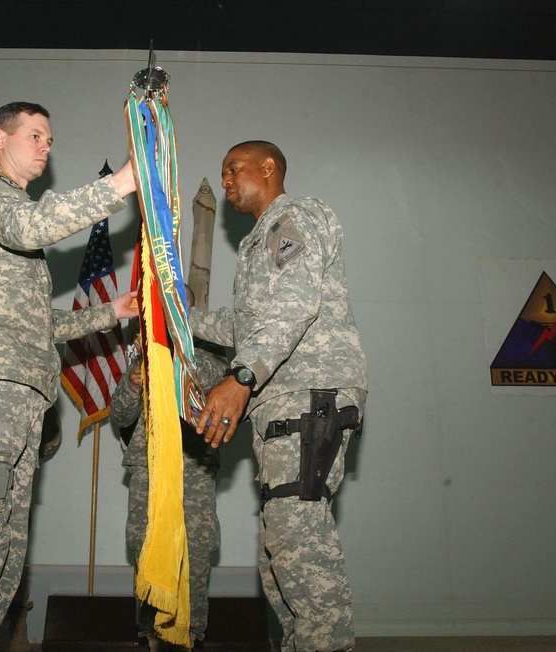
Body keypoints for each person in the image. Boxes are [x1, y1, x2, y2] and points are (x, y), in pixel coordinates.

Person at [0, 101, 138, 652]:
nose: (47, 147)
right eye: (36, 135)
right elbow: (30, 224)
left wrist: (114, 312)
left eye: (49, 139)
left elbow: (42, 323)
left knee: (1, 561)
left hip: (18, 399)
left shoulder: (13, 222)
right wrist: (122, 185)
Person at [190, 141, 368, 652]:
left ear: (268, 168)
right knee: (279, 561)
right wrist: (177, 320)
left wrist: (241, 378)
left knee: (301, 554)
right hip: (285, 404)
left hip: (309, 395)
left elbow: (296, 303)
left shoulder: (291, 217)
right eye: (222, 173)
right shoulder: (258, 243)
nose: (225, 181)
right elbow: (244, 324)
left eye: (233, 169)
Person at [111, 310, 227, 651]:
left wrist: (174, 354)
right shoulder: (144, 357)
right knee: (148, 551)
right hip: (149, 468)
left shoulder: (208, 352)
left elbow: (217, 376)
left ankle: (191, 635)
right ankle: (150, 636)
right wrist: (135, 382)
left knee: (196, 550)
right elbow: (119, 414)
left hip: (194, 467)